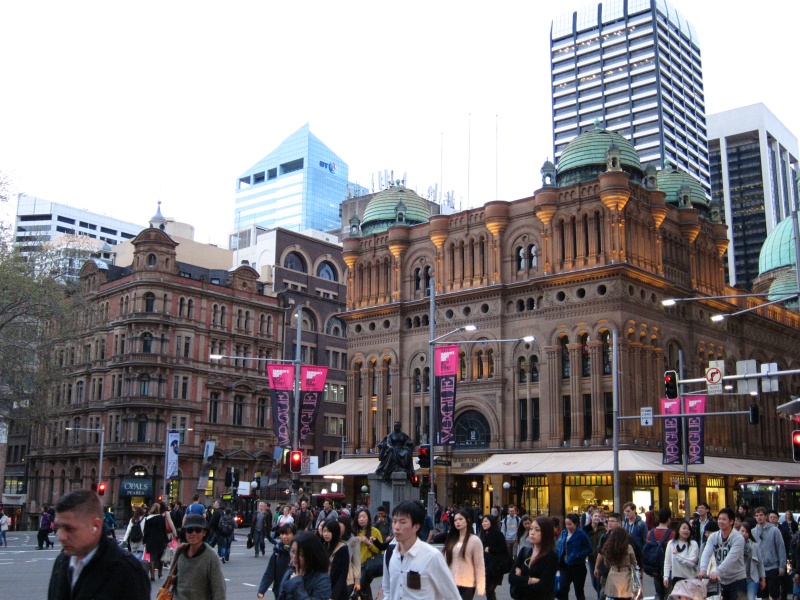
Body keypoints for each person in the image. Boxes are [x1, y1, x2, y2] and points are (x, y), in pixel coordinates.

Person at [47, 489, 150, 600]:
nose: (61, 537)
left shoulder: (128, 572)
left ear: (95, 526)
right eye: (58, 528)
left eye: (69, 528)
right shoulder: (62, 562)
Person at [382, 500, 460, 600]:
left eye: (402, 522)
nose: (396, 527)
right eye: (394, 521)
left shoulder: (432, 556)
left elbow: (452, 596)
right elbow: (387, 590)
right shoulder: (390, 553)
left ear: (416, 527)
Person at [171, 513, 225, 600]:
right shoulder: (180, 552)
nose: (193, 533)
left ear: (204, 533)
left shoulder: (211, 556)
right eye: (189, 530)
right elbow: (170, 579)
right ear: (185, 532)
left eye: (198, 530)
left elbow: (218, 589)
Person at [699, 508, 747, 600]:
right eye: (719, 519)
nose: (720, 521)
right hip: (723, 580)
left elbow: (732, 558)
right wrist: (703, 569)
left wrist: (717, 571)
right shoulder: (713, 536)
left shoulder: (738, 537)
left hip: (737, 579)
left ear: (731, 521)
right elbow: (706, 553)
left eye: (724, 519)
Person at [508, 515, 559, 600]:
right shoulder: (524, 551)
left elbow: (543, 586)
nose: (532, 532)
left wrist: (520, 579)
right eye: (531, 529)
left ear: (546, 532)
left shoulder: (551, 557)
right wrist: (530, 580)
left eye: (537, 530)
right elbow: (511, 578)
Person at [442, 509, 485, 600]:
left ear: (467, 520)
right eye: (455, 520)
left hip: (467, 584)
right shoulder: (452, 540)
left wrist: (481, 586)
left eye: (460, 519)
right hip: (451, 583)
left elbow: (479, 565)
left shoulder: (474, 540)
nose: (458, 522)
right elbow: (445, 562)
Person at [279, 531, 333, 600]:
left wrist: (297, 585)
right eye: (292, 551)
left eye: (300, 554)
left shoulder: (322, 579)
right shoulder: (290, 573)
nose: (294, 556)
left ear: (311, 555)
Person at [556, 513, 594, 600]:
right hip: (565, 566)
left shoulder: (581, 534)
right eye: (566, 524)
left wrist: (578, 555)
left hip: (578, 566)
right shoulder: (564, 533)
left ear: (575, 523)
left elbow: (589, 548)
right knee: (562, 589)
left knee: (579, 591)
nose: (568, 526)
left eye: (570, 524)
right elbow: (560, 547)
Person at [753, 506, 786, 600]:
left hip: (773, 567)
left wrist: (782, 566)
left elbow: (781, 548)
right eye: (757, 515)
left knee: (775, 594)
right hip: (759, 568)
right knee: (763, 595)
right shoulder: (753, 531)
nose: (759, 517)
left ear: (766, 516)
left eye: (761, 515)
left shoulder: (775, 530)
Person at [600, 527, 639, 600]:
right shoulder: (628, 547)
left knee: (613, 596)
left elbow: (606, 563)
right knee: (626, 596)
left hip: (613, 573)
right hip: (626, 574)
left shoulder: (608, 547)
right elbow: (634, 562)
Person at [258, 523, 295, 599]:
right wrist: (262, 590)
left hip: (293, 591)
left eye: (287, 534)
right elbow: (270, 572)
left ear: (294, 535)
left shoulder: (298, 552)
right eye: (282, 534)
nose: (284, 537)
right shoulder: (277, 551)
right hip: (279, 590)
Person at [645, 507, 675, 600]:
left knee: (658, 593)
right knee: (669, 593)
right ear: (669, 519)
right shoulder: (672, 534)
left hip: (655, 567)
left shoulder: (650, 533)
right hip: (669, 568)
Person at [354, 507, 384, 600]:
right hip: (355, 566)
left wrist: (368, 543)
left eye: (364, 517)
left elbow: (379, 551)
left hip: (367, 567)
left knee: (358, 590)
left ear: (368, 518)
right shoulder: (354, 532)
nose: (361, 519)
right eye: (359, 517)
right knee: (365, 591)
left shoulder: (374, 531)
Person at [663, 520, 699, 593]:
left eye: (688, 529)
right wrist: (666, 576)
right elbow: (667, 562)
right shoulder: (671, 543)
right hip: (676, 579)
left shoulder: (693, 544)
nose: (686, 531)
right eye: (684, 528)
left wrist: (678, 556)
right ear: (678, 530)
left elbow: (692, 563)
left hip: (690, 579)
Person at [480, 514, 508, 600]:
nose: (484, 523)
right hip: (486, 565)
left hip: (496, 566)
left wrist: (491, 549)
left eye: (486, 521)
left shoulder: (498, 534)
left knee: (490, 589)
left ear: (491, 522)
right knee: (488, 590)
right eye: (483, 522)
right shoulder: (483, 534)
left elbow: (503, 549)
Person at [594, 512, 622, 600]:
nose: (609, 523)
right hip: (606, 572)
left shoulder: (625, 537)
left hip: (621, 573)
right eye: (609, 521)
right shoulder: (605, 537)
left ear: (619, 523)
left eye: (612, 521)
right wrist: (596, 567)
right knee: (603, 594)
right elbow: (600, 553)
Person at [322, 520, 350, 600]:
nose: (326, 534)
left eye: (329, 531)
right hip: (324, 588)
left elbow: (343, 574)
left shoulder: (343, 548)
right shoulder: (323, 546)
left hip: (338, 592)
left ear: (335, 532)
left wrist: (333, 596)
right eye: (324, 531)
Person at [739, 521, 766, 600]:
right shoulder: (734, 545)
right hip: (738, 578)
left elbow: (760, 563)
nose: (744, 534)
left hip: (752, 578)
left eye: (746, 532)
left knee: (750, 598)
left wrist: (763, 579)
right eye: (742, 531)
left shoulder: (754, 546)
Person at [142, 502, 169, 581]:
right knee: (160, 557)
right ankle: (160, 572)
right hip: (160, 540)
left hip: (151, 540)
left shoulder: (148, 518)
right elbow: (164, 530)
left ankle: (152, 574)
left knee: (152, 557)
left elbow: (146, 531)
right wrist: (166, 541)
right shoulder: (161, 518)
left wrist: (144, 540)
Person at [338, 513, 361, 599]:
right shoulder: (333, 539)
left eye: (339, 524)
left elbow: (356, 562)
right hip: (334, 578)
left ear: (345, 526)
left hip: (348, 579)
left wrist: (357, 581)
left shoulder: (353, 540)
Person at [585, 509, 607, 599]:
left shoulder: (603, 529)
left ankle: (600, 596)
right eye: (595, 516)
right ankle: (600, 594)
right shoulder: (586, 529)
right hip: (591, 558)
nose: (597, 518)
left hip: (601, 558)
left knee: (600, 580)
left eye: (598, 516)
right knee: (594, 581)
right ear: (591, 517)